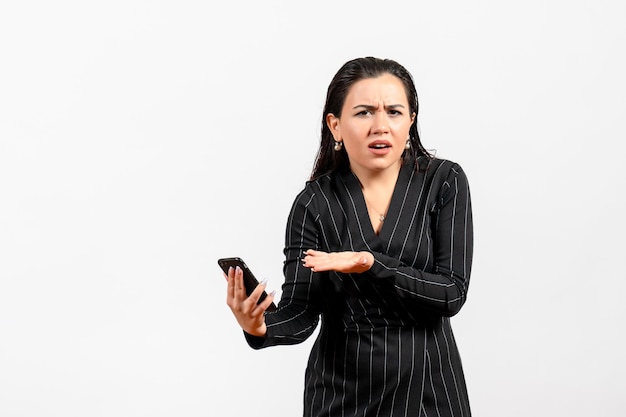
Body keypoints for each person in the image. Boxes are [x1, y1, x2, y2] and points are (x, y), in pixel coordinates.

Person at [225, 56, 473, 417]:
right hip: (343, 395)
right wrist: (261, 326)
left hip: (429, 391)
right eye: (364, 113)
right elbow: (301, 311)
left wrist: (370, 265)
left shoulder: (444, 181)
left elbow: (451, 293)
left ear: (411, 121)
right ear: (335, 125)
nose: (380, 126)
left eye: (394, 112)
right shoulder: (315, 203)